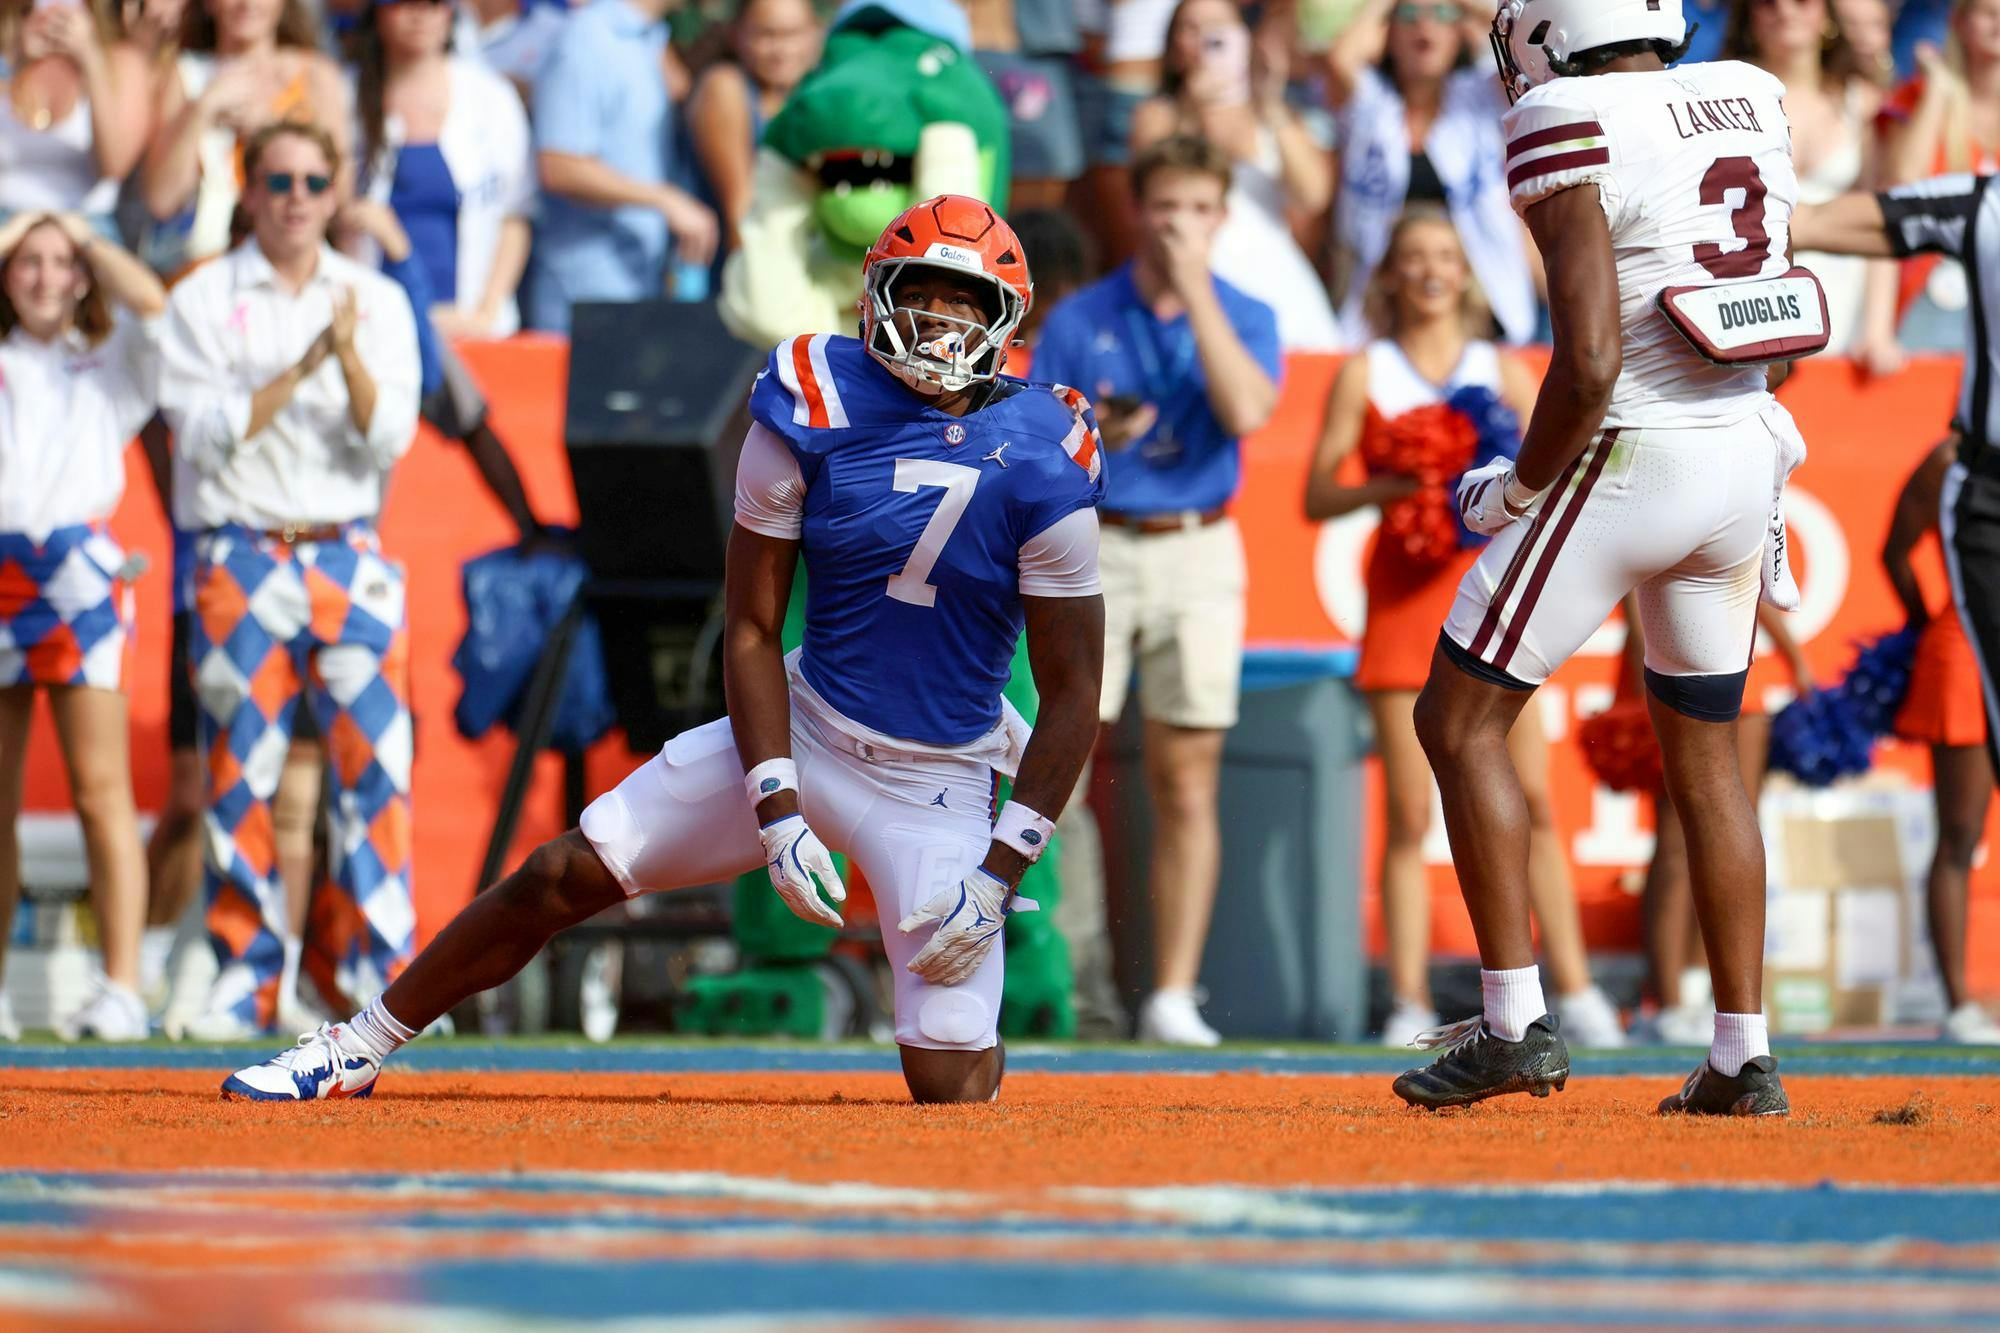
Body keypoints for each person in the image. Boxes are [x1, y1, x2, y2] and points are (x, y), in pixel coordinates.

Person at [219, 194, 1107, 1103]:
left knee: (949, 1077)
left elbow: (1076, 688)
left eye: (963, 299)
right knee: (562, 872)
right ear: (875, 293)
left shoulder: (1047, 449)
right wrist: (776, 804)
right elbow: (754, 626)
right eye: (921, 289)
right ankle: (357, 1042)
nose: (938, 317)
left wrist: (1000, 873)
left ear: (1006, 320)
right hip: (807, 723)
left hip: (936, 780)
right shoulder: (814, 396)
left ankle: (978, 1035)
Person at [1395, 0, 1815, 1117]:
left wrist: (1517, 487)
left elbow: (1585, 356)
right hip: (1740, 444)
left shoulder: (1562, 111)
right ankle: (1739, 1054)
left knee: (1454, 718)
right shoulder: (1749, 94)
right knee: (1708, 756)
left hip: (1633, 450)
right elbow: (1778, 305)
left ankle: (1512, 1023)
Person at [1304, 207, 1626, 1050]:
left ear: (1469, 271)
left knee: (1537, 802)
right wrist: (1396, 489)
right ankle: (1407, 999)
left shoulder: (1504, 367)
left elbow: (1558, 466)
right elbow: (1315, 495)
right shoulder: (1364, 369)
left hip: (1499, 599)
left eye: (1445, 255)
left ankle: (1580, 989)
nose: (1431, 270)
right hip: (1404, 604)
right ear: (1391, 275)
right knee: (1411, 815)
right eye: (1413, 257)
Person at [157, 120, 421, 1037]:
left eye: (314, 179)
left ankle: (380, 978)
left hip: (349, 546)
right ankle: (245, 976)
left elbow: (389, 438)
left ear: (336, 189)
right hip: (241, 547)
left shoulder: (376, 301)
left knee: (377, 774)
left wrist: (341, 354)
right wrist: (304, 363)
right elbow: (197, 437)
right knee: (241, 773)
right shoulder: (200, 299)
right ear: (250, 187)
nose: (298, 197)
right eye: (279, 180)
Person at [1032, 134, 1280, 1046]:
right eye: (1165, 206)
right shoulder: (1082, 314)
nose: (1179, 224)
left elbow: (1250, 411)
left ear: (1221, 217)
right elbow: (1042, 439)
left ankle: (1173, 992)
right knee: (1053, 760)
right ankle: (1067, 973)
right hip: (1101, 544)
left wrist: (1199, 292)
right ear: (1137, 210)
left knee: (1187, 779)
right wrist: (1106, 441)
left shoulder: (1244, 311)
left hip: (1200, 545)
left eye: (1199, 208)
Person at [1793, 176, 2000, 1046]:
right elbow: (1845, 218)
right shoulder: (1983, 203)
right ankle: (1958, 1000)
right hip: (1982, 549)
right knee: (1960, 825)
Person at [0, 212, 164, 1042]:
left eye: (57, 263)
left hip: (80, 575)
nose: (42, 276)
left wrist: (83, 238)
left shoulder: (109, 360)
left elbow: (156, 304)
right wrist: (18, 234)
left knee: (101, 790)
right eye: (25, 261)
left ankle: (124, 985)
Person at [1323, 0, 1539, 349]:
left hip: (1484, 308)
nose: (1425, 26)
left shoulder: (1484, 94)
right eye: (1409, 15)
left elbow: (1525, 46)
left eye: (1441, 14)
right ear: (1387, 34)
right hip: (1381, 312)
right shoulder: (1369, 104)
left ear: (1460, 32)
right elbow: (1340, 57)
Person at [1129, 0, 1337, 350]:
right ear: (1173, 46)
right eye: (1191, 28)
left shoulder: (1272, 113)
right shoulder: (1157, 114)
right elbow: (1150, 183)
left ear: (1243, 38)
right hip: (1187, 266)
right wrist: (1192, 110)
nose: (1204, 38)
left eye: (1217, 27)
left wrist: (1270, 102)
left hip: (1272, 270)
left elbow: (1312, 196)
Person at [1883, 439, 2000, 1044]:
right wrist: (1928, 628)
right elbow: (1895, 552)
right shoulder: (1948, 458)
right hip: (1969, 649)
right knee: (1960, 834)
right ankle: (1959, 1005)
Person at [528, 0, 718, 333]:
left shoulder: (651, 39)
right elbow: (558, 165)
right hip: (587, 296)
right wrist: (665, 199)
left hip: (642, 288)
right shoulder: (586, 39)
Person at [1724, 0, 1893, 364]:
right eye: (1767, 3)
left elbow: (1881, 217)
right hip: (1750, 296)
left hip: (1844, 298)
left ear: (1827, 15)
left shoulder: (1863, 103)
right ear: (1748, 17)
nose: (1785, 11)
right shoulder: (1722, 101)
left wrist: (1878, 329)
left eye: (1802, 1)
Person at [139, 0, 350, 277]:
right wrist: (203, 109)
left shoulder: (316, 76)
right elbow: (161, 201)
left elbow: (341, 193)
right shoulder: (184, 74)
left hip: (292, 264)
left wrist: (270, 130)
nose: (247, 4)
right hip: (203, 267)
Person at [1875, 0, 2000, 352]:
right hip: (1930, 292)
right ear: (1960, 21)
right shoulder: (1918, 94)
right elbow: (1901, 186)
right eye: (1987, 11)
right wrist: (1937, 93)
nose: (1998, 21)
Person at [0, 0, 152, 237]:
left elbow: (114, 166)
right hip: (7, 228)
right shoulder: (9, 58)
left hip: (84, 232)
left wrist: (90, 58)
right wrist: (12, 61)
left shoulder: (122, 61)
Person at [686, 0, 822, 253]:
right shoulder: (724, 88)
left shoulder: (810, 94)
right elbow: (741, 216)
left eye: (793, 34)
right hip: (737, 276)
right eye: (766, 35)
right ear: (735, 34)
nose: (781, 50)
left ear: (816, 32)